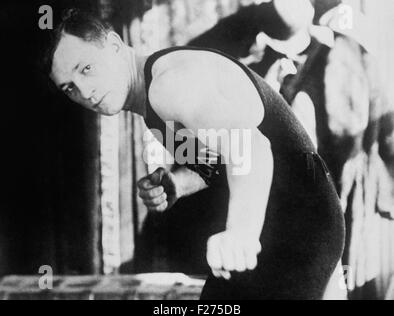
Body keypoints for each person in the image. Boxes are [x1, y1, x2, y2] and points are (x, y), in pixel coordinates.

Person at [44, 9, 345, 299]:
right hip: (290, 219)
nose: (83, 91)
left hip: (296, 221)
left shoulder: (168, 85)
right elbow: (224, 156)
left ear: (113, 45)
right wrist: (179, 183)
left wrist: (241, 233)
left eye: (86, 68)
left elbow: (251, 146)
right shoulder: (153, 95)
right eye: (69, 87)